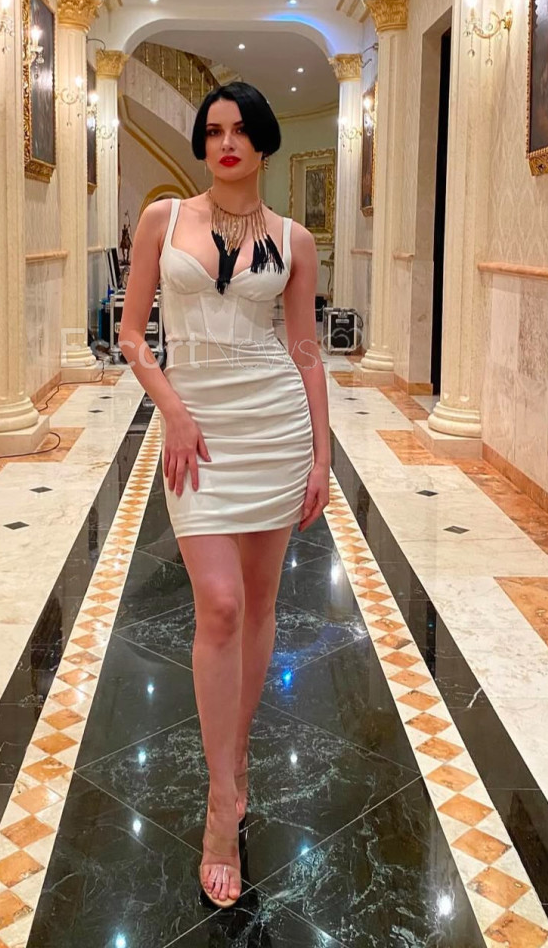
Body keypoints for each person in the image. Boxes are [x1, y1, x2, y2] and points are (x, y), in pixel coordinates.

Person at [118, 81, 330, 909]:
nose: (226, 143)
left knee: (260, 603)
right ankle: (219, 804)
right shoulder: (162, 218)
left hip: (273, 425)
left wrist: (320, 455)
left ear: (263, 142)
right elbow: (132, 335)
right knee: (219, 605)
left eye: (240, 130)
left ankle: (236, 762)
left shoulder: (293, 239)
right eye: (212, 131)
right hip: (197, 427)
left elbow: (305, 349)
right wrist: (171, 409)